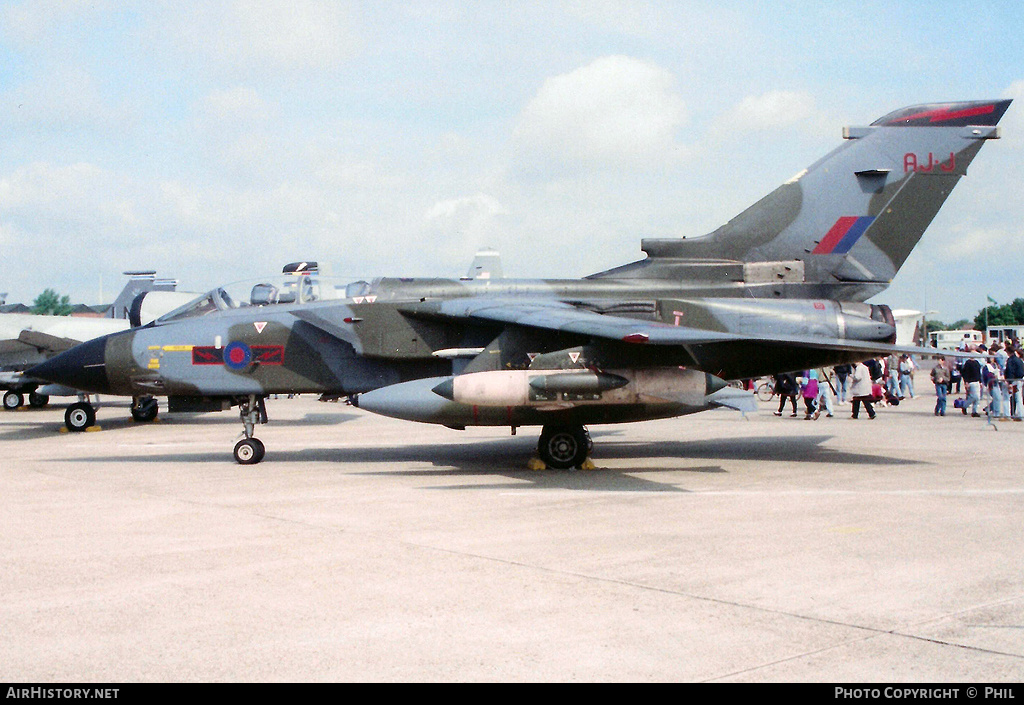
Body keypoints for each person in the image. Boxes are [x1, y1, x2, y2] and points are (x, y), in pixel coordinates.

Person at [960, 347, 984, 417]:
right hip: (971, 382)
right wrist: (966, 382)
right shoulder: (967, 363)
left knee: (978, 398)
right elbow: (965, 373)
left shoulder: (977, 362)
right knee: (974, 396)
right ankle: (965, 405)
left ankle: (974, 411)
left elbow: (979, 373)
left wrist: (980, 382)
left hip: (977, 381)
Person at [1005, 348, 1024, 421]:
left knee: (1010, 397)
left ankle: (1008, 414)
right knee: (1019, 398)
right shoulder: (1019, 360)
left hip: (1014, 381)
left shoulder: (1011, 360)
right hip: (1020, 379)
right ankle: (1020, 414)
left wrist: (1009, 382)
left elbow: (1010, 371)